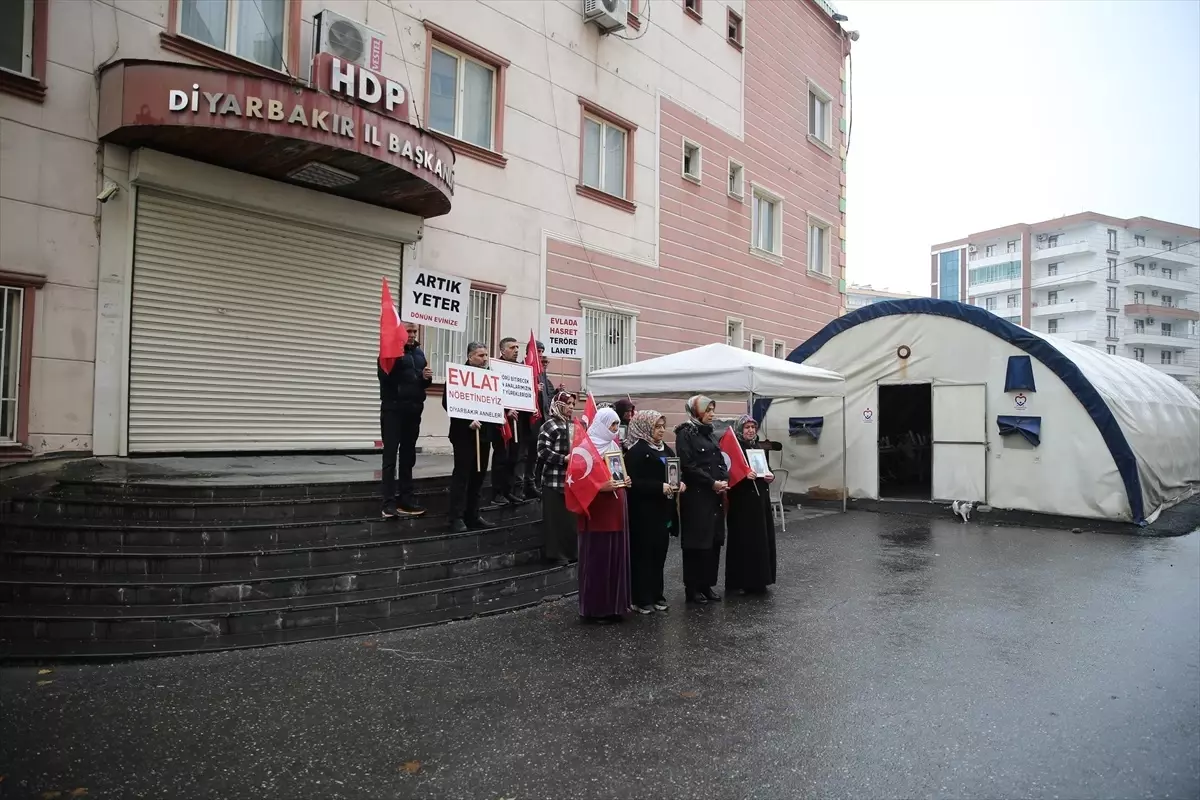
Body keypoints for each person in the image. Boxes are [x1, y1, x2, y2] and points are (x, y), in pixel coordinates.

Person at [625, 410, 685, 614]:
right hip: (644, 513)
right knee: (643, 556)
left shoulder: (665, 450)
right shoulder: (636, 451)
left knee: (659, 555)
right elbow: (633, 483)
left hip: (663, 512)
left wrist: (679, 484)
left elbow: (674, 473)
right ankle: (641, 599)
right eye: (657, 427)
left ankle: (657, 595)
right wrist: (659, 487)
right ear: (645, 427)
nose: (661, 431)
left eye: (662, 426)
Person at [577, 408, 632, 622]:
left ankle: (614, 606)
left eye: (617, 426)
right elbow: (577, 480)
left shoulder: (613, 446)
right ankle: (596, 609)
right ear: (601, 424)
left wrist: (624, 481)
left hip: (616, 509)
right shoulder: (585, 448)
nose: (615, 430)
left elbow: (618, 471)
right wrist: (600, 487)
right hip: (597, 512)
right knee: (598, 559)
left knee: (615, 558)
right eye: (612, 425)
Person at [674, 395, 728, 604]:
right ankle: (693, 587)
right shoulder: (685, 433)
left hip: (714, 496)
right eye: (708, 410)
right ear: (697, 411)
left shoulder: (710, 433)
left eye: (713, 410)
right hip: (697, 497)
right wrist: (711, 482)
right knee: (697, 543)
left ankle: (707, 585)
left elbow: (720, 459)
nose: (712, 414)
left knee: (713, 542)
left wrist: (723, 479)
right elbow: (688, 465)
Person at [442, 342, 498, 533]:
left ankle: (473, 515)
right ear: (470, 356)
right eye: (481, 356)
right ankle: (455, 517)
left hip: (483, 435)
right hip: (464, 435)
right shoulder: (457, 375)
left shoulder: (489, 376)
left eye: (485, 356)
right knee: (462, 475)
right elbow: (448, 402)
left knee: (479, 476)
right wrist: (467, 420)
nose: (484, 359)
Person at [378, 321, 432, 518]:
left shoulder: (419, 354)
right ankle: (388, 502)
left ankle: (406, 498)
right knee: (390, 457)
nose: (412, 334)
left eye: (414, 331)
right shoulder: (389, 352)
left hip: (413, 410)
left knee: (408, 457)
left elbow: (420, 382)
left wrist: (427, 378)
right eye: (409, 331)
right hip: (393, 410)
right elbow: (385, 378)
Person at [724, 415, 777, 595]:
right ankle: (741, 580)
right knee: (744, 541)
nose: (750, 430)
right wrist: (743, 476)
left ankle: (759, 579)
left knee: (760, 540)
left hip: (759, 500)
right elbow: (729, 471)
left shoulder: (757, 446)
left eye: (753, 427)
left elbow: (765, 469)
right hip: (742, 502)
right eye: (747, 427)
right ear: (740, 429)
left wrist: (770, 476)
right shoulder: (735, 448)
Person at [536, 389, 578, 565]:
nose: (571, 407)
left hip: (570, 481)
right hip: (553, 481)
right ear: (559, 405)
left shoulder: (573, 426)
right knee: (555, 520)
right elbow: (542, 451)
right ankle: (556, 554)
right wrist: (563, 459)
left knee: (569, 521)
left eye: (573, 404)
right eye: (568, 404)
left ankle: (571, 552)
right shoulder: (549, 425)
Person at [491, 337, 528, 506]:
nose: (516, 350)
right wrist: (506, 410)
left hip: (517, 421)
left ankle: (509, 490)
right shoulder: (494, 368)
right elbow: (491, 395)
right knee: (501, 457)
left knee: (514, 457)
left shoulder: (520, 369)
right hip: (501, 422)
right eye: (512, 347)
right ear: (502, 351)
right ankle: (497, 492)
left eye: (517, 347)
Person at [521, 340, 557, 500]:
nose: (540, 355)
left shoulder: (542, 372)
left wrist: (557, 391)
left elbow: (547, 395)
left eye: (542, 352)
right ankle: (523, 484)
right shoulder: (523, 367)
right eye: (538, 351)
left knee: (537, 453)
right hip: (527, 419)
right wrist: (533, 389)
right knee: (526, 455)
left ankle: (533, 483)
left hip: (542, 418)